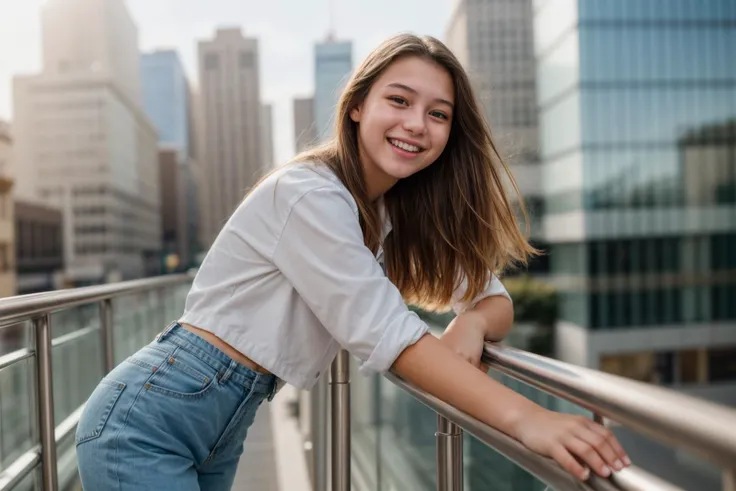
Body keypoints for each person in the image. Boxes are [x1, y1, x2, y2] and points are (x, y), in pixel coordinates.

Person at [75, 33, 630, 490]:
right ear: (358, 104)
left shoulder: (387, 215)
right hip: (151, 419)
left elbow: (492, 296)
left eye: (438, 114)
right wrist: (530, 419)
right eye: (399, 100)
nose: (417, 123)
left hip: (222, 418)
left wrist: (473, 322)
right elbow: (388, 337)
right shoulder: (311, 195)